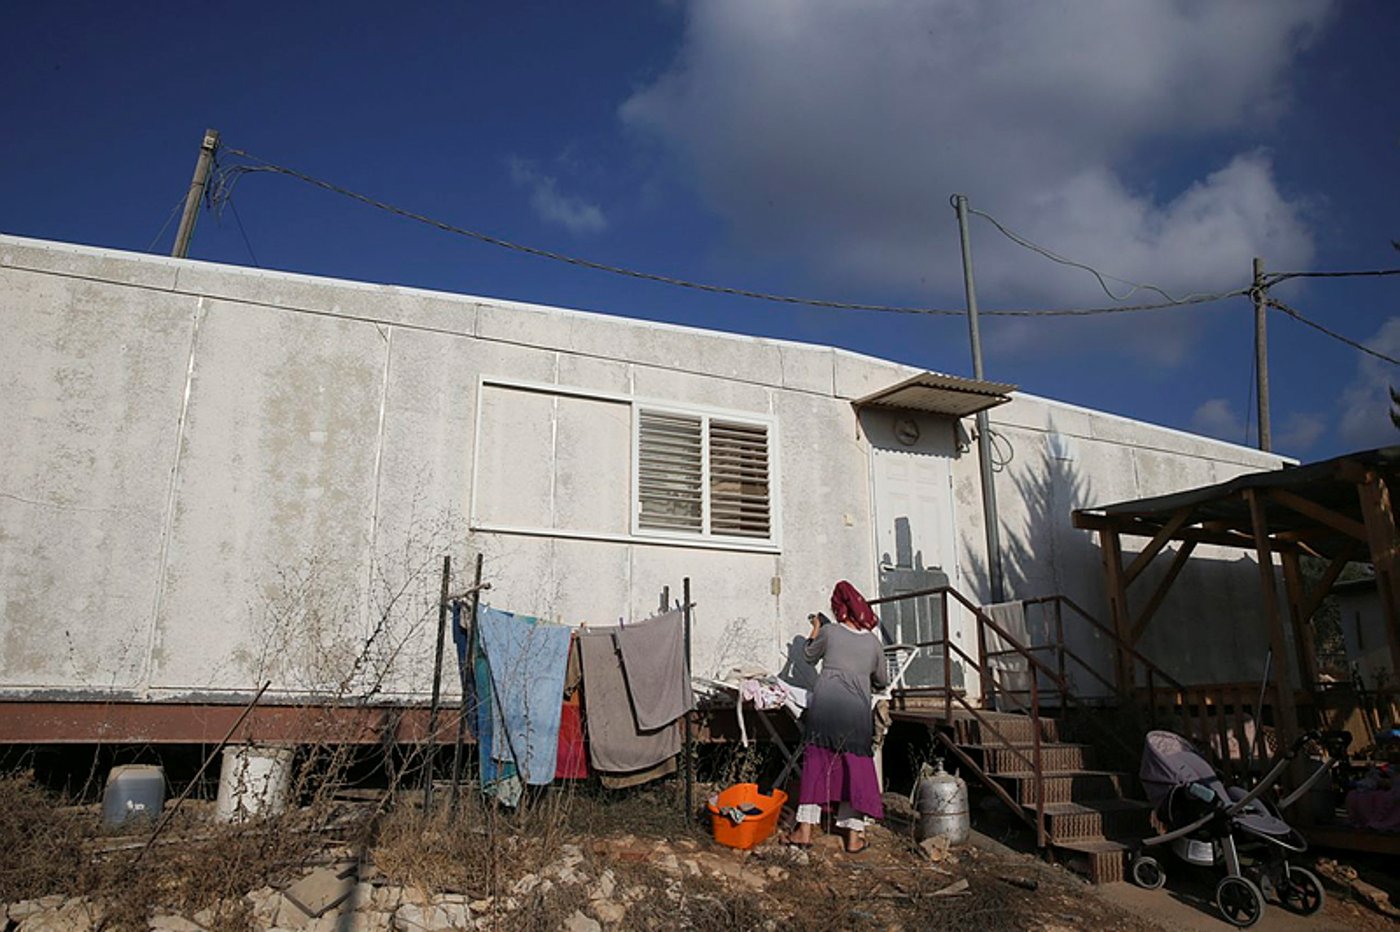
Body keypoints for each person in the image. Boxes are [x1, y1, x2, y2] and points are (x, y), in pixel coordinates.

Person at [786, 580, 888, 853]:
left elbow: (809, 656)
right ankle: (853, 837)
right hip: (856, 714)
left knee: (816, 766)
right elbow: (882, 680)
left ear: (839, 608)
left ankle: (804, 832)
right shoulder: (873, 642)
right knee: (855, 770)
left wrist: (816, 627)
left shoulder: (829, 632)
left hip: (826, 708)